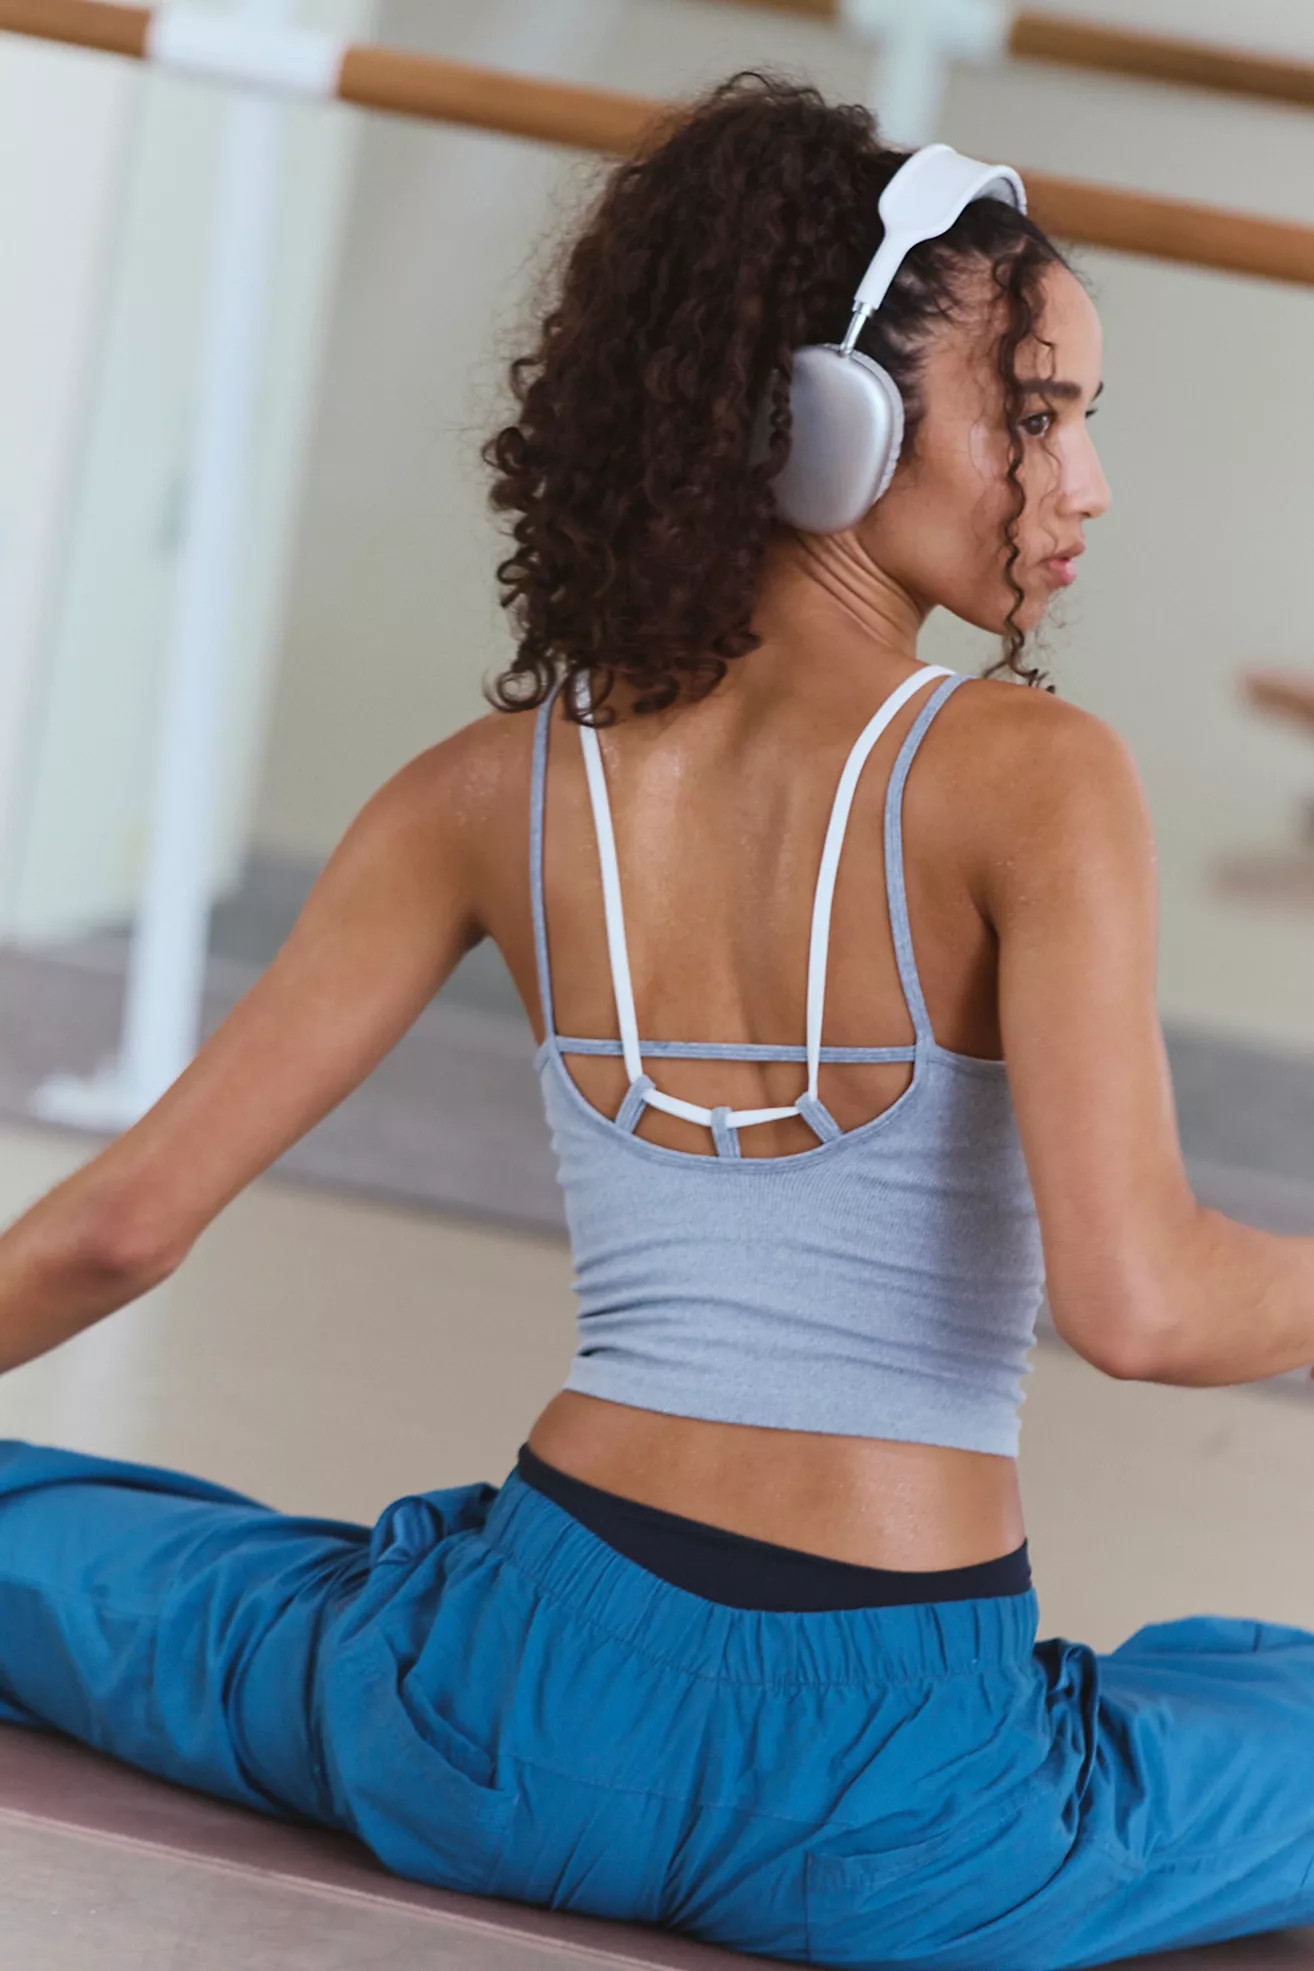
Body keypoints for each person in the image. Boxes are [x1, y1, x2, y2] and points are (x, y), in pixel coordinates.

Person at [3, 68, 1314, 1971]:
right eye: (1034, 416)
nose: (1084, 482)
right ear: (832, 424)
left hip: (496, 1721)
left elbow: (118, 1226)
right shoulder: (1035, 777)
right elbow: (1149, 1309)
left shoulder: (479, 792)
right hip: (904, 1810)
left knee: (83, 1548)